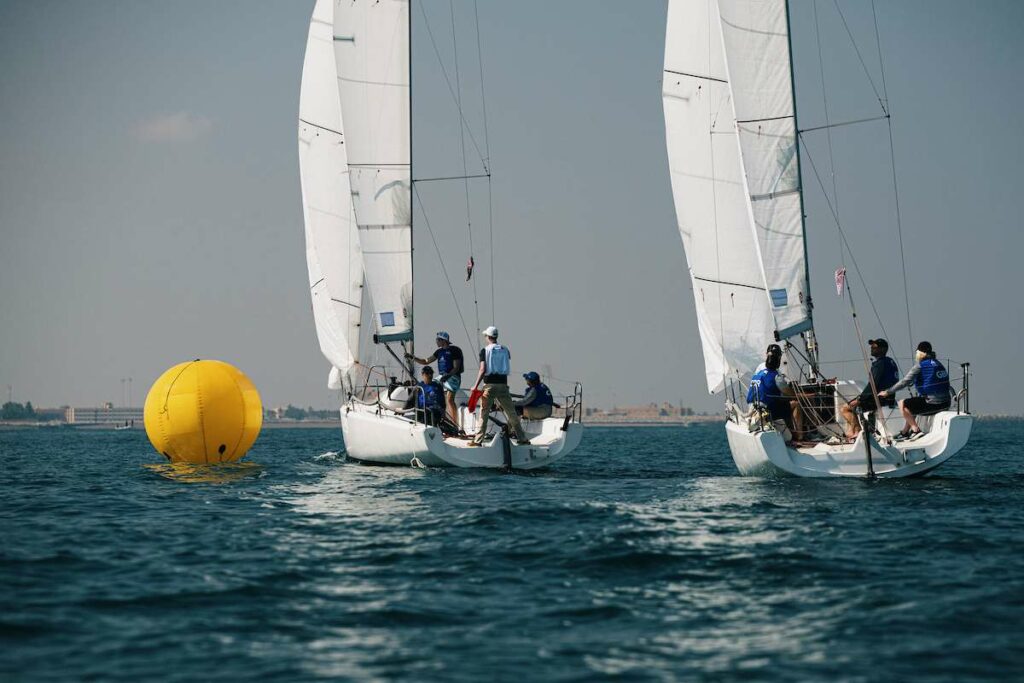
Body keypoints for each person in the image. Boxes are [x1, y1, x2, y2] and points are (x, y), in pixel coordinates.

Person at [468, 326, 530, 446]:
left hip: (489, 385)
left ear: (488, 337)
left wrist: (475, 386)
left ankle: (478, 440)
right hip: (503, 385)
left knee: (484, 413)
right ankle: (522, 438)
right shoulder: (505, 350)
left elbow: (482, 369)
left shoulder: (485, 350)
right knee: (511, 413)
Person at [877, 341, 952, 440]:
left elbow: (904, 382)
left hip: (933, 404)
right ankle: (905, 432)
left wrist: (887, 392)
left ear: (920, 353)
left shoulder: (920, 365)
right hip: (946, 403)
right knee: (913, 405)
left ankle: (916, 430)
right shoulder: (937, 363)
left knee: (902, 403)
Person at [839, 338, 900, 439]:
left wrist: (860, 399)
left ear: (883, 349)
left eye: (875, 347)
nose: (872, 348)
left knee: (846, 408)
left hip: (879, 399)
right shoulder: (890, 361)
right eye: (871, 346)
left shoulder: (880, 364)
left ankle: (857, 431)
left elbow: (873, 384)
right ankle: (852, 432)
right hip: (889, 397)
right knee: (852, 406)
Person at [406, 331, 464, 424]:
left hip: (453, 376)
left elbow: (456, 367)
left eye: (437, 340)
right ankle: (436, 414)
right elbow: (426, 361)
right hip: (442, 376)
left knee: (450, 399)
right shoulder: (439, 352)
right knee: (427, 385)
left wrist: (448, 375)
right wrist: (413, 357)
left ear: (443, 340)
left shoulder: (454, 350)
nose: (436, 341)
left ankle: (454, 423)